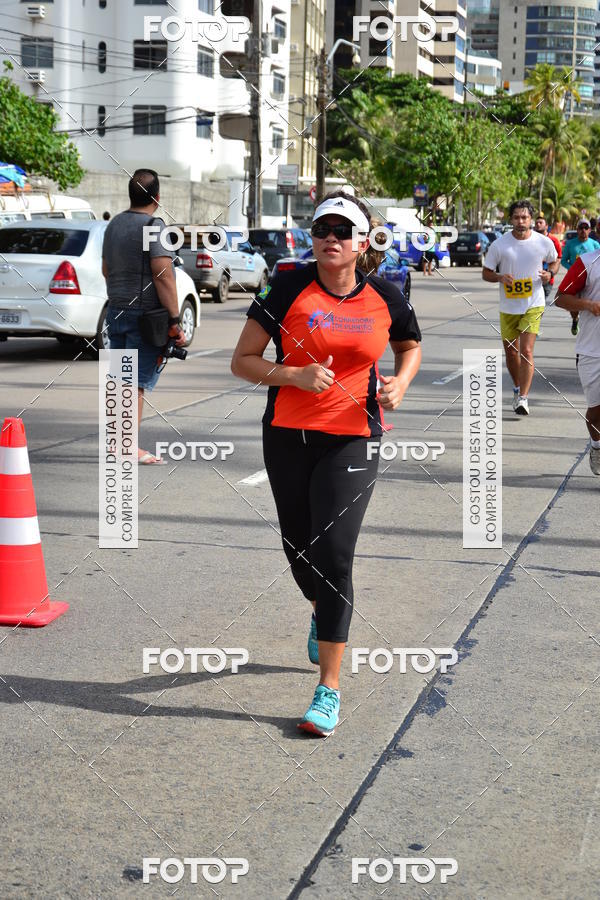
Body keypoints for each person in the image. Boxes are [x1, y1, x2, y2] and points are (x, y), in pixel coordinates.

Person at [231, 191, 422, 737]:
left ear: (363, 242)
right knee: (298, 548)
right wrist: (292, 375)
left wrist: (400, 383)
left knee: (335, 557)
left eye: (343, 230)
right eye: (322, 229)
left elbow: (410, 345)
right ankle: (322, 609)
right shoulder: (286, 286)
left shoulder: (386, 295)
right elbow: (242, 360)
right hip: (288, 436)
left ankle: (328, 690)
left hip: (353, 438)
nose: (330, 238)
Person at [102, 168, 186, 465]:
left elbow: (106, 270)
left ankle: (117, 444)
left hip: (116, 310)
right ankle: (128, 448)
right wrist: (175, 321)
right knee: (134, 383)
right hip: (144, 315)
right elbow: (163, 274)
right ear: (158, 197)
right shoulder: (155, 225)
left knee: (120, 381)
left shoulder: (114, 225)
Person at [482, 199, 559, 416]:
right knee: (511, 352)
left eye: (524, 217)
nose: (520, 221)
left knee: (526, 351)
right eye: (516, 217)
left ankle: (523, 398)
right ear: (511, 219)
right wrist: (499, 277)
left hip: (533, 304)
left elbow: (555, 261)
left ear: (531, 219)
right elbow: (486, 272)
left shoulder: (543, 242)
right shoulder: (499, 245)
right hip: (508, 306)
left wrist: (550, 274)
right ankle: (517, 388)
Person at [555, 252, 600, 475]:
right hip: (593, 351)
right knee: (596, 413)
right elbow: (561, 297)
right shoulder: (587, 263)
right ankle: (597, 445)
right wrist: (589, 305)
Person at [561, 219, 600, 336]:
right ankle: (575, 319)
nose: (583, 230)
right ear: (577, 230)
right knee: (574, 307)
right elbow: (563, 260)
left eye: (586, 228)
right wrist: (572, 268)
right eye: (581, 228)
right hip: (575, 278)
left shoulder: (594, 244)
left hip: (590, 279)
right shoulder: (570, 244)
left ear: (590, 230)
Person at [534, 213, 562, 303]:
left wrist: (551, 273)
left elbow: (558, 259)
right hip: (532, 279)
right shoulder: (530, 240)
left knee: (540, 304)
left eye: (540, 223)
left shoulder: (553, 240)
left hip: (547, 280)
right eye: (536, 223)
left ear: (546, 226)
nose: (538, 224)